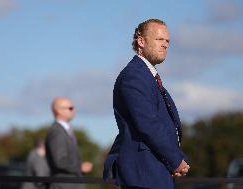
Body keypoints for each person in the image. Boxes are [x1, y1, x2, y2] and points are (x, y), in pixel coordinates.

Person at [103, 19, 190, 189]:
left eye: (167, 41)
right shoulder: (134, 76)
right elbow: (148, 124)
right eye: (159, 39)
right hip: (144, 173)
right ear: (141, 41)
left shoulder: (147, 76)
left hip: (155, 169)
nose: (165, 45)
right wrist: (175, 158)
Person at [45, 96, 92, 189]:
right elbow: (59, 161)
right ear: (58, 111)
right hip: (64, 184)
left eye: (73, 107)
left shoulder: (64, 130)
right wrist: (80, 167)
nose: (73, 110)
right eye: (70, 108)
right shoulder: (57, 131)